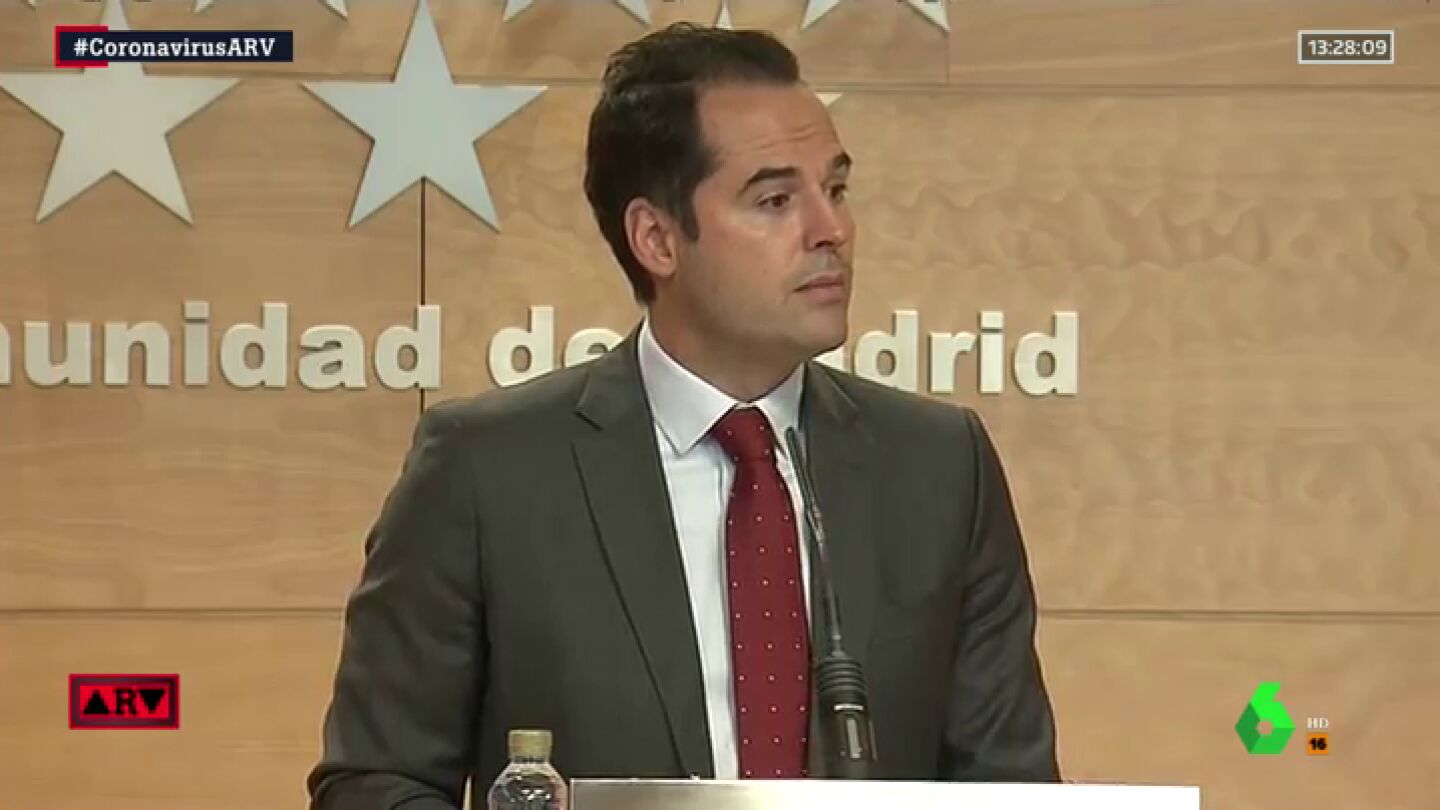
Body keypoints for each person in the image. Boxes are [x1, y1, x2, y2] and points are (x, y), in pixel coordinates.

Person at [306, 22, 1059, 810]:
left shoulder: (940, 468)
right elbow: (374, 782)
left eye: (835, 190)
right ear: (658, 239)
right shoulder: (487, 470)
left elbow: (1010, 789)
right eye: (775, 200)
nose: (831, 230)